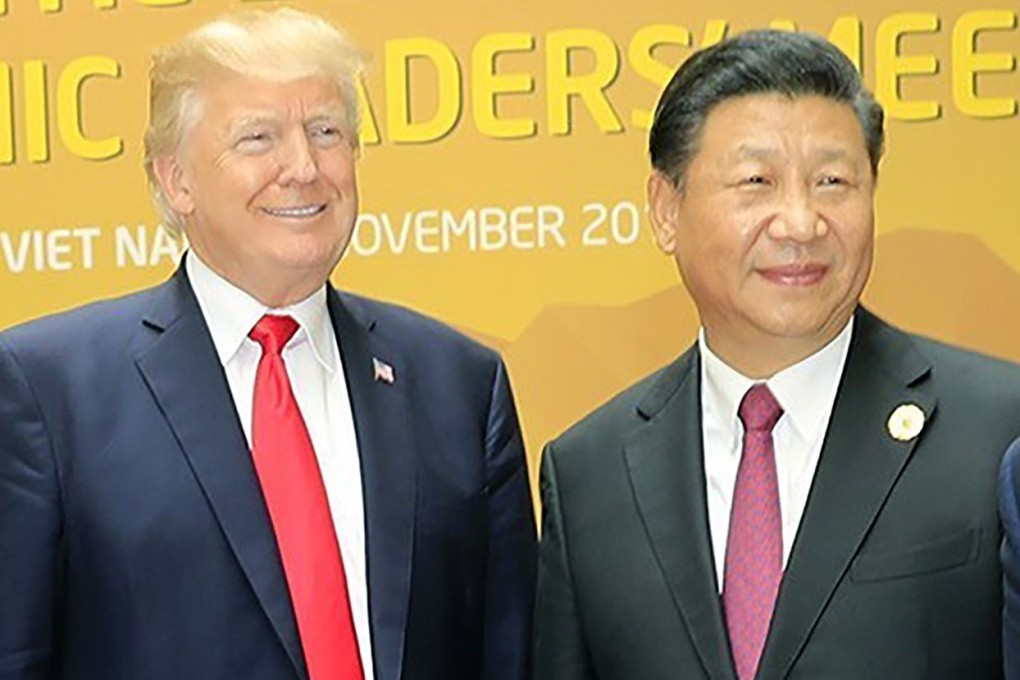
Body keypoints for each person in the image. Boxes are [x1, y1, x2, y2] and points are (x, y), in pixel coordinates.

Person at [0, 8, 535, 680]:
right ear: (176, 179)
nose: (303, 167)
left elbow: (510, 656)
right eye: (258, 138)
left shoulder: (459, 385)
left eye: (326, 132)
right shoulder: (46, 394)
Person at [532, 29, 1020, 680]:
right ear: (666, 208)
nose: (800, 222)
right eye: (757, 180)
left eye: (833, 180)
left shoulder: (997, 431)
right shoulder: (589, 474)